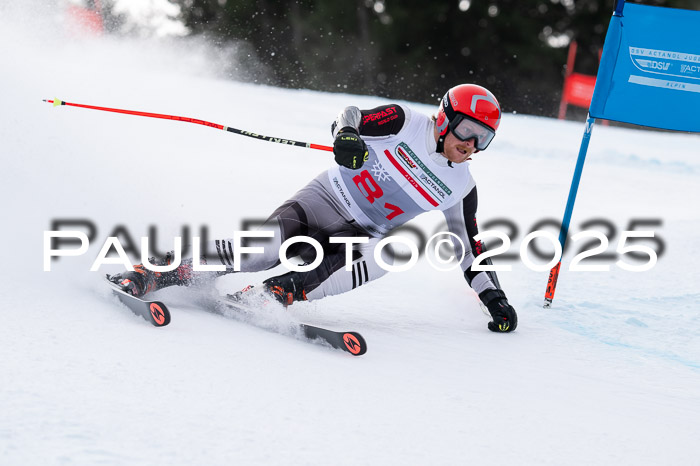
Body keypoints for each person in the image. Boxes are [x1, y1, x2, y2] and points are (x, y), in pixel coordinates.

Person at [109, 84, 518, 333]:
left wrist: (494, 299)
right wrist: (347, 136)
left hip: (360, 234)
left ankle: (275, 294)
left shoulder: (461, 186)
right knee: (260, 251)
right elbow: (351, 116)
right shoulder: (405, 122)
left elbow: (469, 250)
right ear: (446, 119)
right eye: (467, 130)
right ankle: (159, 271)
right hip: (323, 199)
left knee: (390, 253)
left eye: (483, 138)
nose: (470, 144)